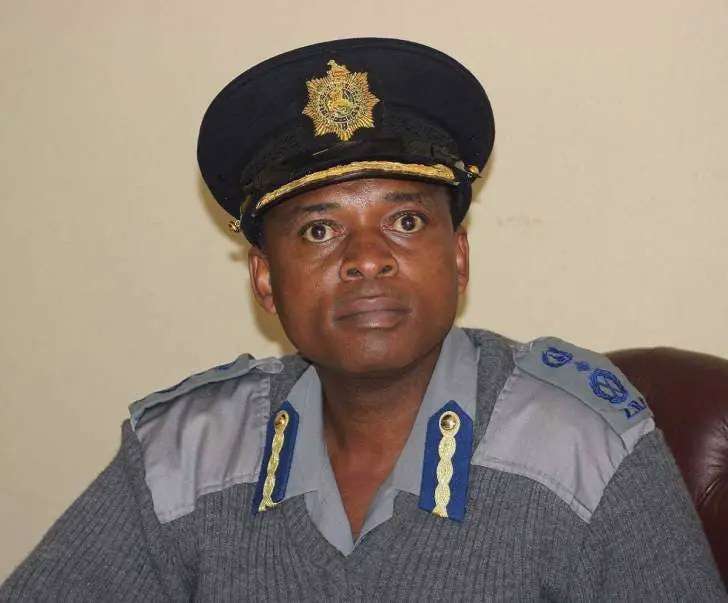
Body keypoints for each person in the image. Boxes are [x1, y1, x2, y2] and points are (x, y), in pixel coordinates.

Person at [1, 38, 724, 601]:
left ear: (458, 256)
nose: (367, 258)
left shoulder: (583, 446)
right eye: (319, 230)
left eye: (405, 221)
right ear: (265, 279)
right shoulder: (185, 454)